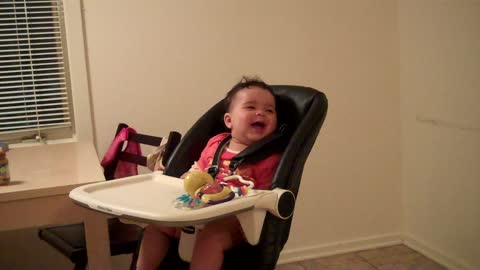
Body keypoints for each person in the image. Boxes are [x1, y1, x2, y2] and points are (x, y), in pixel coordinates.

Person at [136, 76, 282, 270]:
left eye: (269, 110)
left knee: (210, 239)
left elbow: (265, 198)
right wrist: (184, 179)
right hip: (199, 209)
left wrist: (240, 190)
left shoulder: (270, 158)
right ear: (229, 120)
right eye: (250, 107)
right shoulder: (216, 143)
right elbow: (198, 170)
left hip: (236, 221)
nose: (261, 113)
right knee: (157, 226)